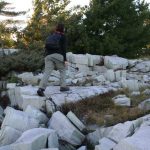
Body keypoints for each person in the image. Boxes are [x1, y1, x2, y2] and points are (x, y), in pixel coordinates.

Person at [37, 23, 70, 97]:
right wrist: (65, 60)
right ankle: (63, 86)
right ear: (63, 29)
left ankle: (41, 89)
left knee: (47, 72)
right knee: (63, 69)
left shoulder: (51, 36)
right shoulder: (63, 36)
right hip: (58, 55)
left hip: (48, 56)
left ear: (56, 29)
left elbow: (46, 47)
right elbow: (64, 49)